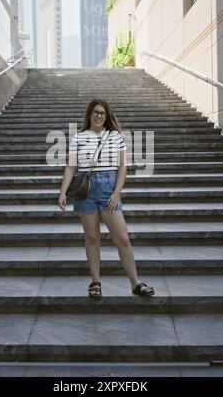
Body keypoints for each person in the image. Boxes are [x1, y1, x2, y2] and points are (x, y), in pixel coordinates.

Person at [58, 99, 155, 298]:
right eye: (96, 112)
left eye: (103, 113)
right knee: (92, 238)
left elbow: (122, 167)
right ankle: (95, 282)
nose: (99, 116)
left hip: (109, 189)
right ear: (89, 114)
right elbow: (70, 167)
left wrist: (116, 193)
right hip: (87, 191)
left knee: (122, 238)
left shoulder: (116, 137)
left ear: (107, 115)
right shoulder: (79, 138)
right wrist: (62, 192)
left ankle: (136, 284)